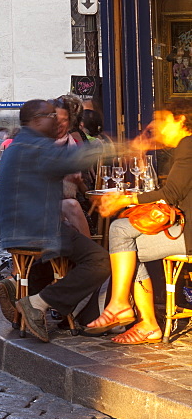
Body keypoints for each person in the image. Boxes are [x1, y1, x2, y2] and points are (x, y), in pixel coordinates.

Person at [0, 99, 109, 342]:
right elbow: (74, 161)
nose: (56, 120)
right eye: (50, 115)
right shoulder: (37, 147)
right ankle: (37, 302)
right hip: (37, 229)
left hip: (17, 229)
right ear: (36, 121)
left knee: (61, 256)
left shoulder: (19, 144)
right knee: (99, 260)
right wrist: (110, 147)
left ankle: (20, 286)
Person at [86, 101, 192, 344]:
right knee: (126, 249)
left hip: (189, 235)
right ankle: (141, 319)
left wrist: (125, 199)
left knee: (120, 230)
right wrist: (141, 150)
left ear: (180, 121)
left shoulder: (188, 145)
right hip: (185, 229)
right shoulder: (183, 147)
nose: (157, 126)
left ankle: (124, 307)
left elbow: (170, 193)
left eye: (163, 120)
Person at [54, 95, 92, 238]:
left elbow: (85, 189)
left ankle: (89, 255)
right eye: (56, 120)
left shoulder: (74, 144)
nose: (60, 124)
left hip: (74, 202)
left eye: (64, 120)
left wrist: (78, 181)